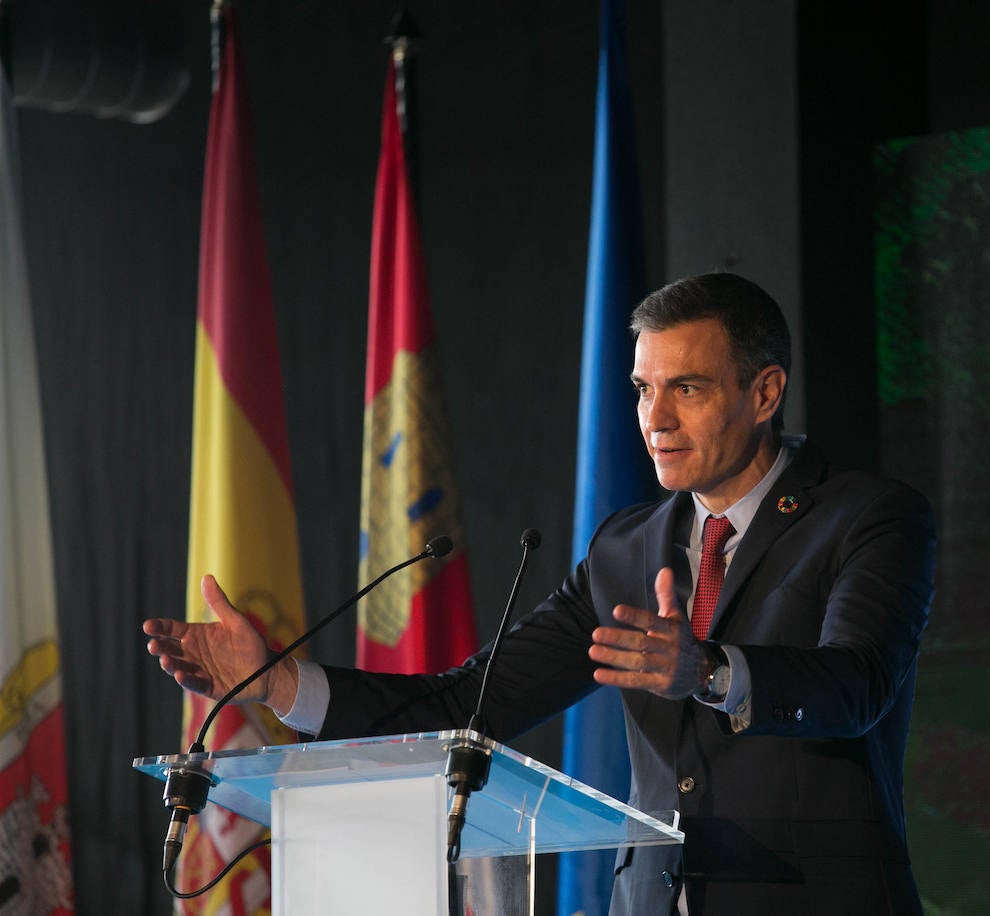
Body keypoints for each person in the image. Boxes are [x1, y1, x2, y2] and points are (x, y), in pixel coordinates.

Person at [145, 271, 936, 915]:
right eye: (641, 388)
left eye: (686, 389)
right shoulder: (626, 547)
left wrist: (710, 670)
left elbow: (857, 685)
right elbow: (467, 706)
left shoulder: (866, 516)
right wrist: (281, 683)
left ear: (765, 394)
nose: (653, 418)